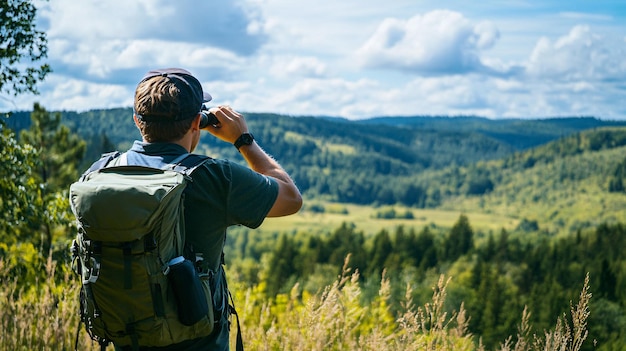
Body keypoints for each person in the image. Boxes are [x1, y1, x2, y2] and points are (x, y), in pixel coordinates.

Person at [111, 67, 303, 350]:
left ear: (137, 121)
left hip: (130, 339)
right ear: (196, 123)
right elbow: (291, 198)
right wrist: (243, 140)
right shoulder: (212, 178)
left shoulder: (103, 173)